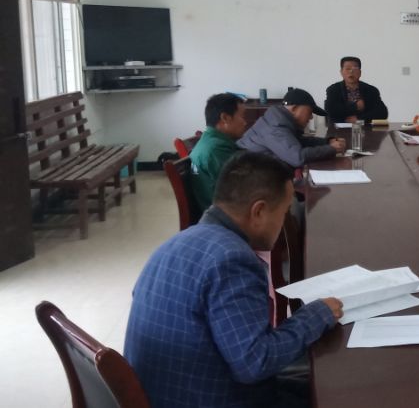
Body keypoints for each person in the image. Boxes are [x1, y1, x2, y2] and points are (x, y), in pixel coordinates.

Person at [125, 152, 344, 408]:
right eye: (284, 212)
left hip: (174, 391)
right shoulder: (232, 259)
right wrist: (317, 315)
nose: (284, 221)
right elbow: (255, 363)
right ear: (259, 211)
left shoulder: (174, 244)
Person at [238, 87, 345, 168]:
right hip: (249, 179)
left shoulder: (278, 120)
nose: (311, 117)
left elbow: (297, 142)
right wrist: (332, 149)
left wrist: (327, 142)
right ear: (294, 108)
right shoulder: (275, 126)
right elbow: (297, 158)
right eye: (309, 112)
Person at [190, 93, 246, 212]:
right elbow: (245, 185)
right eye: (242, 116)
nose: (245, 122)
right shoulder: (216, 149)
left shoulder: (211, 142)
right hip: (225, 215)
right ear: (225, 118)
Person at [324, 56, 388, 123]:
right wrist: (355, 107)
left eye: (355, 69)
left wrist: (359, 119)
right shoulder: (333, 89)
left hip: (365, 128)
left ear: (360, 72)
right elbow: (331, 111)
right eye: (347, 69)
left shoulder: (371, 90)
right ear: (341, 72)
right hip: (339, 128)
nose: (351, 72)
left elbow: (382, 113)